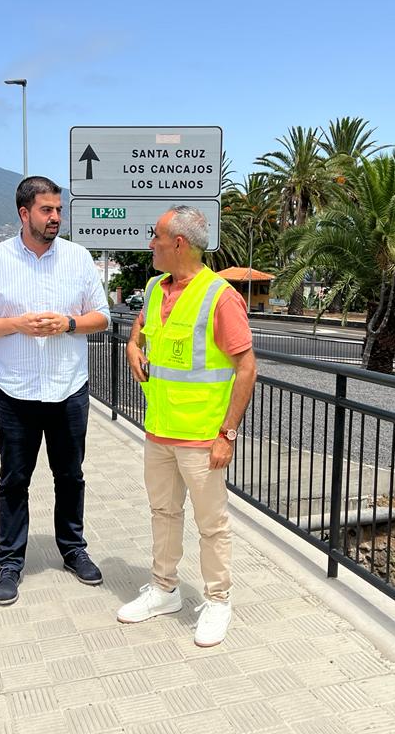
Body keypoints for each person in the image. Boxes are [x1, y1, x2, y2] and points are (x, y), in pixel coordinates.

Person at [0, 176, 111, 606]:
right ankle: (9, 562)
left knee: (71, 476)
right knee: (14, 481)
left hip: (69, 390)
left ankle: (73, 550)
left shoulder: (78, 258)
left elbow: (100, 317)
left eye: (59, 210)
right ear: (24, 213)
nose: (55, 218)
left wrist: (67, 323)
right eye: (47, 210)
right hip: (16, 393)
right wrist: (16, 324)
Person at [118, 205, 256, 647]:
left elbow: (247, 368)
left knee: (211, 524)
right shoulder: (157, 287)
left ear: (178, 243)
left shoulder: (220, 296)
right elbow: (141, 327)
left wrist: (227, 434)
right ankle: (164, 589)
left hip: (202, 439)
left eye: (155, 237)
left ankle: (218, 601)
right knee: (163, 514)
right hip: (159, 430)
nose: (151, 244)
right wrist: (133, 346)